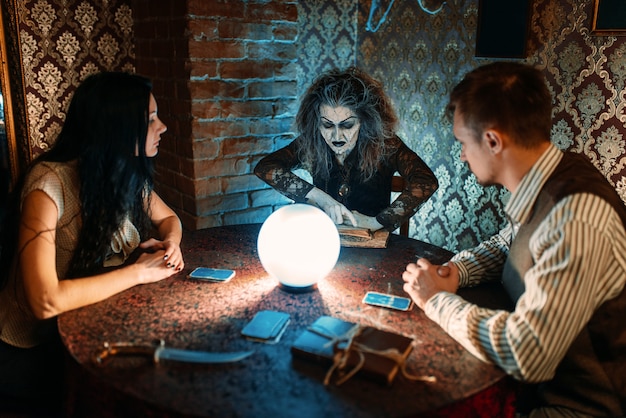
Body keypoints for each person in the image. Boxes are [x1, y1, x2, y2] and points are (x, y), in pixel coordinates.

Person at [402, 62, 626, 417]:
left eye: (462, 142)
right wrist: (457, 271)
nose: (461, 154)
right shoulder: (548, 178)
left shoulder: (577, 219)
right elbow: (510, 242)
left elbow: (528, 354)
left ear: (492, 140)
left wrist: (435, 301)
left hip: (577, 406)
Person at [0, 72, 185, 413]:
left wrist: (171, 243)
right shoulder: (48, 185)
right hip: (27, 350)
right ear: (115, 127)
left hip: (83, 325)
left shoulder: (119, 169)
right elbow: (45, 302)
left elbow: (169, 219)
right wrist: (139, 273)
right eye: (150, 120)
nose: (163, 127)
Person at [254, 67, 438, 232]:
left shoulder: (385, 144)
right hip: (325, 239)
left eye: (347, 125)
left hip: (373, 244)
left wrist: (376, 222)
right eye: (327, 125)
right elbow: (265, 168)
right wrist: (320, 198)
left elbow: (426, 181)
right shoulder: (312, 141)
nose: (336, 136)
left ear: (364, 122)